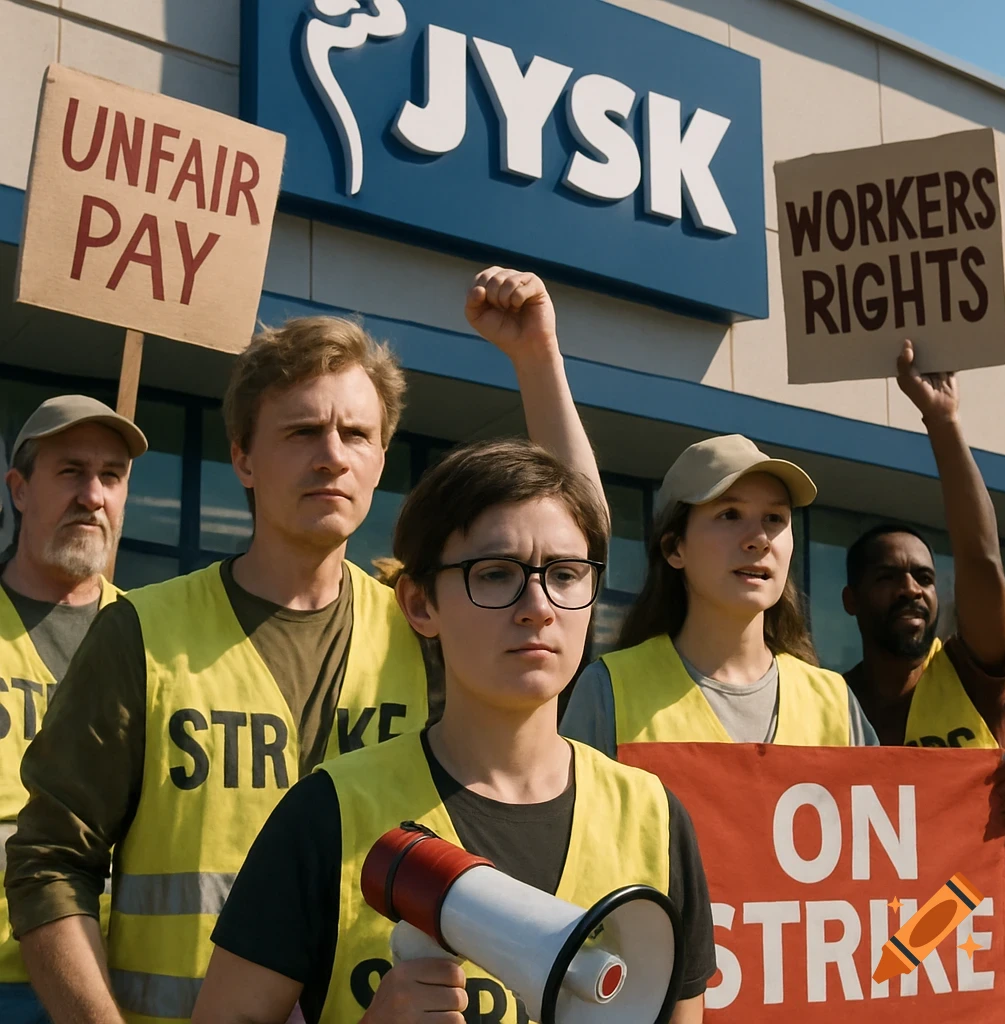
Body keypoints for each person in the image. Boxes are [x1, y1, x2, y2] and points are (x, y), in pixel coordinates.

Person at [5, 268, 605, 1024]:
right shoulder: (141, 632)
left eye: (356, 434)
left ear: (382, 458)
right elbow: (50, 864)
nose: (332, 455)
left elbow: (574, 541)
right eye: (301, 432)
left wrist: (538, 359)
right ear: (244, 460)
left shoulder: (424, 626)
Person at [191, 438, 716, 1024]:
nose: (538, 605)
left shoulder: (654, 819)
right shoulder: (329, 812)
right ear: (419, 603)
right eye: (495, 574)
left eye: (566, 574)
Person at [561, 434, 878, 754]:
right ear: (674, 547)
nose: (759, 539)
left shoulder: (835, 704)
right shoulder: (609, 689)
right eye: (730, 514)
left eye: (774, 518)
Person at [0, 396, 147, 1024]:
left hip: (113, 986)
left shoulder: (156, 637)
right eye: (70, 472)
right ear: (20, 489)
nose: (93, 494)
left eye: (111, 476)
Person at [842, 341, 1005, 824]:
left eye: (923, 576)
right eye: (887, 577)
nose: (911, 589)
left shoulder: (973, 679)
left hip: (964, 902)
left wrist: (943, 422)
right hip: (863, 903)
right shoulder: (824, 704)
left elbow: (981, 560)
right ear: (851, 601)